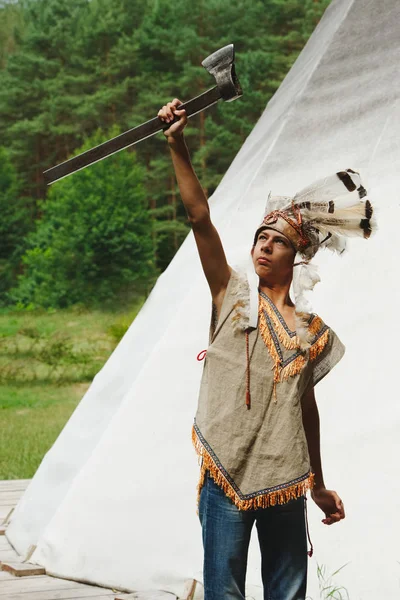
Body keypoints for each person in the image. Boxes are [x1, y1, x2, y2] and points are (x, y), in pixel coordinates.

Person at [158, 98, 374, 600]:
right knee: (225, 592)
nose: (261, 246)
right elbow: (198, 217)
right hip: (226, 474)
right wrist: (177, 144)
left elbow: (307, 410)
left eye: (274, 241)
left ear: (296, 255)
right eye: (259, 237)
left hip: (284, 478)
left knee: (286, 593)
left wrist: (318, 485)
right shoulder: (230, 295)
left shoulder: (312, 331)